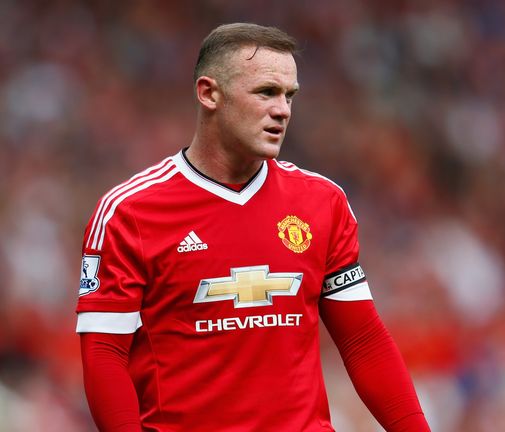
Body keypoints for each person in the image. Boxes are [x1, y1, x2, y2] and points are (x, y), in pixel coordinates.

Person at [76, 23, 430, 432]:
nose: (283, 109)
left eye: (289, 95)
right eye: (266, 92)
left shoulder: (322, 202)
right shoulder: (129, 212)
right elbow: (104, 354)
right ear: (209, 93)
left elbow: (363, 341)